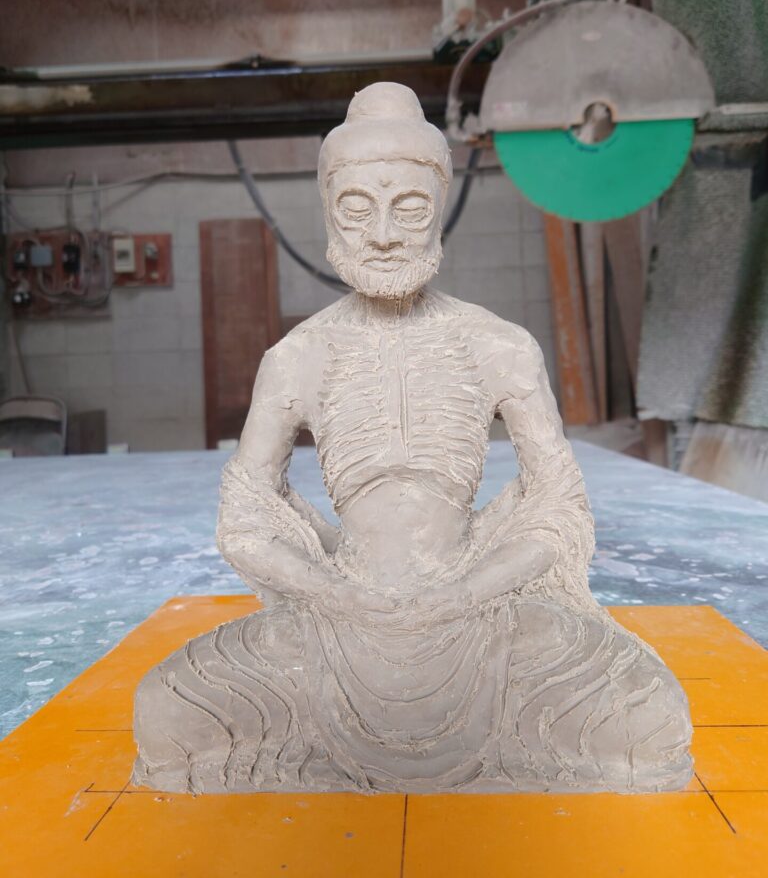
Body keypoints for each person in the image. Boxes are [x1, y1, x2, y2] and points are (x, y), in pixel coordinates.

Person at [133, 82, 692, 794]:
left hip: (480, 615)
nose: (384, 234)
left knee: (652, 717)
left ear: (439, 212)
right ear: (328, 214)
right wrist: (336, 596)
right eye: (356, 209)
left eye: (410, 208)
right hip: (335, 619)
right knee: (164, 711)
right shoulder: (297, 357)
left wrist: (463, 595)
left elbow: (558, 510)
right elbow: (244, 520)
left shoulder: (499, 346)